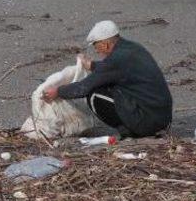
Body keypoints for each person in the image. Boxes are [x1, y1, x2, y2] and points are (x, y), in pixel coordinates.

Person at [42, 20, 172, 138]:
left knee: (94, 95)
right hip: (162, 118)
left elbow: (83, 88)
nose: (96, 50)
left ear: (106, 44)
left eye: (95, 45)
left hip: (149, 122)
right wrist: (92, 65)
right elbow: (117, 70)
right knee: (109, 85)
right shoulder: (133, 48)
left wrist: (58, 91)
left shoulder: (115, 60)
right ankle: (137, 126)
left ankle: (130, 131)